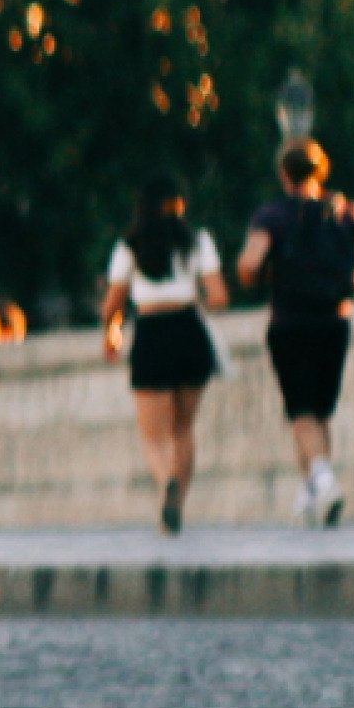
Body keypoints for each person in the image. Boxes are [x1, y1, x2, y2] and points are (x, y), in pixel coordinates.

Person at [234, 140, 354, 526]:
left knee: (301, 410)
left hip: (290, 322)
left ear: (284, 174)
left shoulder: (272, 216)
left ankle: (324, 480)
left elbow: (250, 263)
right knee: (318, 413)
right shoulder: (345, 213)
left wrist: (252, 274)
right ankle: (312, 495)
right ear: (321, 171)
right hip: (334, 321)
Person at [102, 182, 227, 535]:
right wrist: (193, 299)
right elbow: (219, 297)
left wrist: (111, 337)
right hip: (190, 331)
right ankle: (175, 509)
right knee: (183, 429)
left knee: (154, 436)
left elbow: (112, 305)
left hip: (152, 333)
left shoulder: (129, 245)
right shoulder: (198, 241)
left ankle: (167, 483)